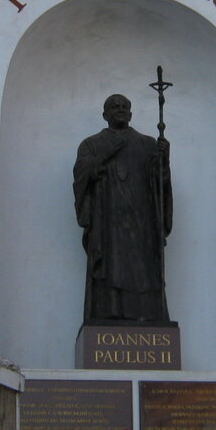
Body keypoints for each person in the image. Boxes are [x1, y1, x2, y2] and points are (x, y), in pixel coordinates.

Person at [73, 94, 172, 322]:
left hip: (142, 221)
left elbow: (160, 185)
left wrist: (163, 161)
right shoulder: (91, 144)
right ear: (104, 114)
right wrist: (96, 165)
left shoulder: (148, 144)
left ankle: (147, 314)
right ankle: (110, 312)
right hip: (107, 220)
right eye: (114, 106)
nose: (120, 109)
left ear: (130, 113)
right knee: (111, 267)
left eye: (124, 106)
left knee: (143, 269)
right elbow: (81, 175)